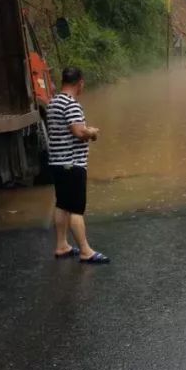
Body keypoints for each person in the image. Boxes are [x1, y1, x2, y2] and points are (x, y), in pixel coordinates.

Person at [46, 66, 110, 264]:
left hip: (57, 163)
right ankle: (85, 251)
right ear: (79, 83)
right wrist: (92, 132)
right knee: (75, 208)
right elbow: (78, 132)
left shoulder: (53, 102)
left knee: (62, 205)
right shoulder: (72, 104)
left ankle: (61, 245)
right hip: (72, 164)